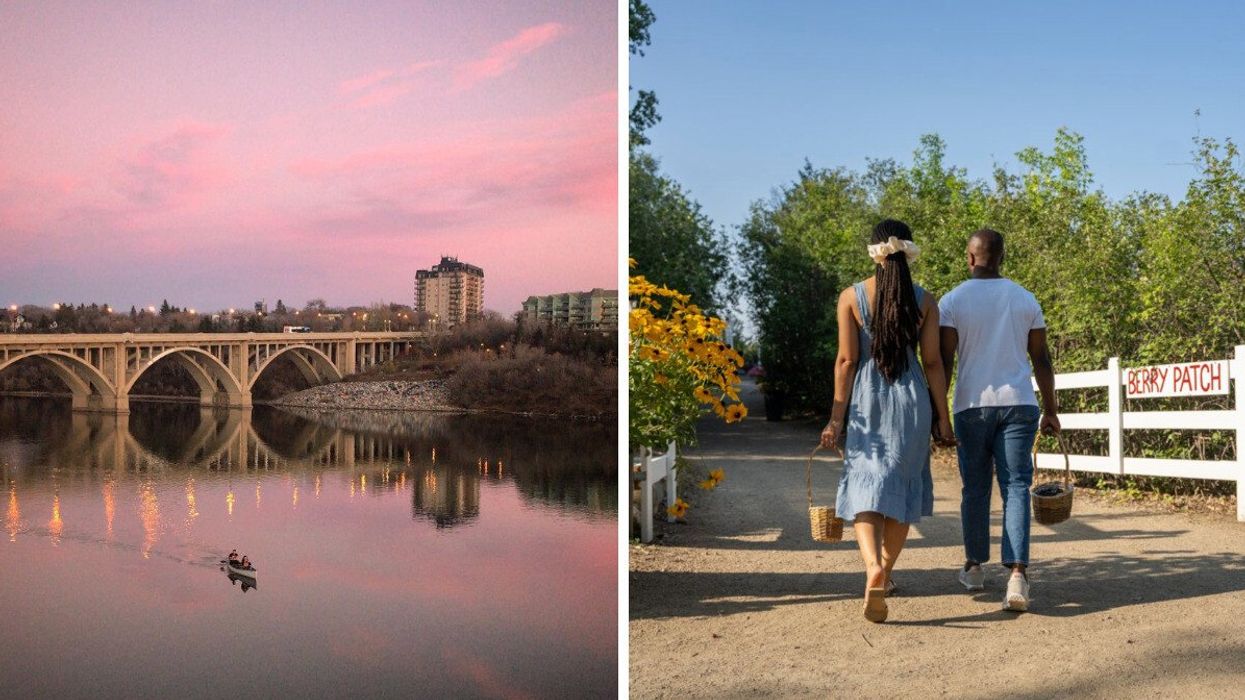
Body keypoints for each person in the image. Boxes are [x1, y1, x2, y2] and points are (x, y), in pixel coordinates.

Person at [820, 219, 955, 623]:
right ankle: (887, 568)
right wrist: (943, 420)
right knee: (902, 487)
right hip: (912, 398)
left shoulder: (851, 296)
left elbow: (846, 360)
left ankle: (871, 569)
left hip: (866, 399)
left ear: (873, 251)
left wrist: (835, 419)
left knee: (865, 485)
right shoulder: (926, 300)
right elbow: (932, 362)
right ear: (906, 252)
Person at [938, 228, 1060, 612]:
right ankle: (1018, 576)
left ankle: (974, 567)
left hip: (970, 406)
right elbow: (1041, 359)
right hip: (1019, 404)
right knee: (1016, 487)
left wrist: (937, 413)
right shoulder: (1025, 298)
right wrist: (1052, 410)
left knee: (974, 489)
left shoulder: (952, 301)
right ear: (1001, 258)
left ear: (970, 258)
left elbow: (943, 362)